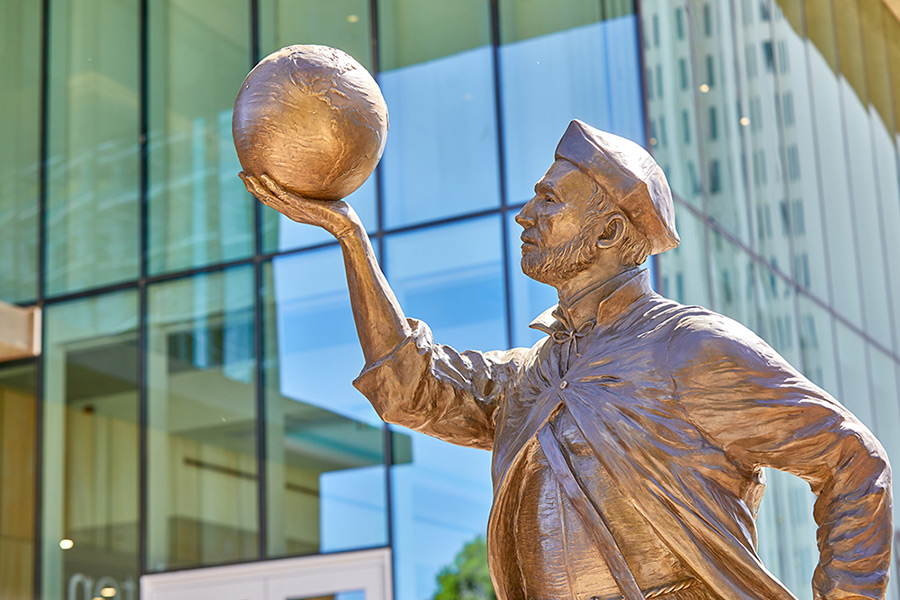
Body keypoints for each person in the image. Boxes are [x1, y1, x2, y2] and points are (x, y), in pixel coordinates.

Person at [241, 120, 892, 600]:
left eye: (549, 200)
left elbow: (851, 461)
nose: (525, 215)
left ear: (609, 231)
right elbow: (410, 384)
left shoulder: (690, 348)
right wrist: (350, 236)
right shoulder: (529, 375)